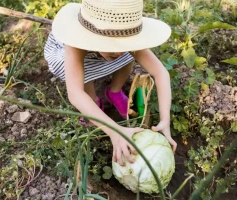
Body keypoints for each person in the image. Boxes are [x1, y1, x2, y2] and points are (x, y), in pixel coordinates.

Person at [44, 0, 177, 166]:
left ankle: (114, 91)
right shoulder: (76, 41)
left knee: (129, 55)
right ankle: (93, 101)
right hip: (71, 57)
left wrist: (165, 119)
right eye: (110, 44)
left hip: (97, 53)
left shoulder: (124, 30)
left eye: (123, 44)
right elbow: (75, 93)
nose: (118, 51)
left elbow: (161, 73)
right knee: (79, 72)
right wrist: (115, 131)